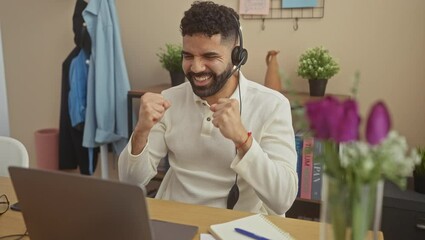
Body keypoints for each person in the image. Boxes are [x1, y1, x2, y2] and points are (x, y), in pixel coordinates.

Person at [118, 1, 297, 215]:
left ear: (237, 57)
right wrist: (141, 131)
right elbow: (130, 181)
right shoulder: (169, 99)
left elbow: (283, 200)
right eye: (188, 56)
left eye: (209, 57)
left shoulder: (272, 105)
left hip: (236, 228)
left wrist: (243, 139)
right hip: (175, 221)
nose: (196, 67)